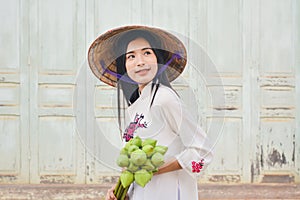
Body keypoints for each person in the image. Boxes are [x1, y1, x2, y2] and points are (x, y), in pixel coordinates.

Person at [88, 26, 213, 200]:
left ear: (158, 59)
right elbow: (132, 164)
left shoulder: (165, 99)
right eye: (131, 56)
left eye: (147, 53)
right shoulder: (136, 106)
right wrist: (121, 189)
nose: (140, 61)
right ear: (124, 65)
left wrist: (154, 169)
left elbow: (203, 152)